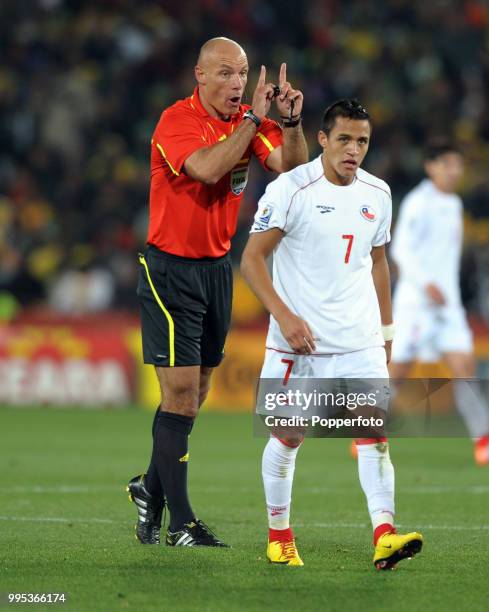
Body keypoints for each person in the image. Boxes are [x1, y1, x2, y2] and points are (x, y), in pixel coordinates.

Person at [126, 37, 308, 547]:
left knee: (197, 394)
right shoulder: (176, 121)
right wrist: (252, 121)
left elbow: (290, 166)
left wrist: (290, 123)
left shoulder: (250, 123)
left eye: (244, 73)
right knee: (181, 394)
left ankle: (149, 487)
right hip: (170, 271)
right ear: (199, 76)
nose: (236, 82)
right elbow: (205, 170)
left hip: (214, 270)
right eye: (226, 73)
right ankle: (180, 522)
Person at [241, 99, 422, 569]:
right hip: (299, 343)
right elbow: (252, 260)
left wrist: (385, 330)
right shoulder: (292, 189)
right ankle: (279, 533)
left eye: (362, 141)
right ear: (322, 139)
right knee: (289, 436)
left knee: (374, 434)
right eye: (344, 139)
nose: (353, 150)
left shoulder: (377, 193)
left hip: (358, 338)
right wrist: (284, 316)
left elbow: (378, 263)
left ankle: (385, 533)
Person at [390, 140, 489, 465]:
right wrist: (427, 284)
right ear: (431, 166)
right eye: (447, 164)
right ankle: (367, 433)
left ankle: (484, 442)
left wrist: (448, 294)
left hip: (448, 307)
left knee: (464, 368)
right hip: (416, 304)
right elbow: (401, 250)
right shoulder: (418, 202)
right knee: (397, 372)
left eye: (458, 165)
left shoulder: (453, 203)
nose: (454, 171)